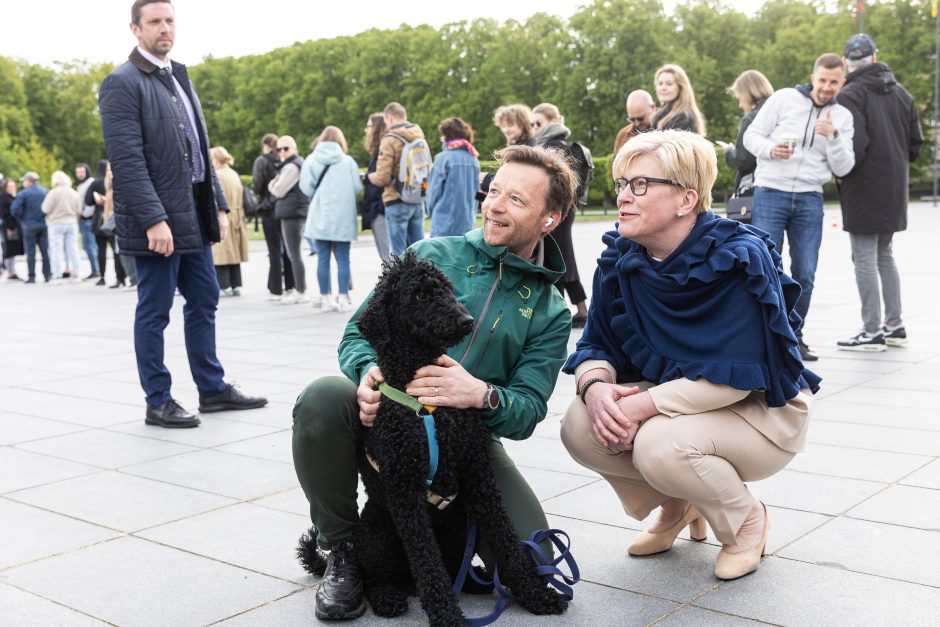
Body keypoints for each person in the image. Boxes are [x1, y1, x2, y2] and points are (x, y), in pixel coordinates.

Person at [292, 144, 578, 620]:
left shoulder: (549, 310)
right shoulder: (430, 252)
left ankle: (455, 540)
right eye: (494, 192)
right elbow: (356, 333)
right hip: (390, 415)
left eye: (516, 200)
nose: (495, 205)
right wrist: (368, 375)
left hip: (469, 440)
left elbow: (527, 410)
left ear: (549, 219)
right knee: (324, 397)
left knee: (537, 564)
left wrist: (480, 394)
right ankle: (341, 550)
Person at [561, 130, 819, 582]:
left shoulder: (737, 259)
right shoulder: (622, 257)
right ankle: (676, 504)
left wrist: (639, 406)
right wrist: (595, 386)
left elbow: (737, 378)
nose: (624, 195)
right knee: (580, 425)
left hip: (761, 412)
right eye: (621, 183)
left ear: (686, 199)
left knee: (660, 444)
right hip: (680, 399)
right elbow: (594, 343)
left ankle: (746, 522)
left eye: (640, 184)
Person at [99, 0, 267, 427]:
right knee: (154, 310)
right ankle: (158, 399)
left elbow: (200, 152)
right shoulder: (122, 82)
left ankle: (212, 389)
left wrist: (220, 205)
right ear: (135, 29)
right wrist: (155, 218)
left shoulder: (178, 76)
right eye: (154, 21)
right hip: (156, 223)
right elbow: (128, 160)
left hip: (193, 217)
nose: (164, 28)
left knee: (206, 300)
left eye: (170, 20)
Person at [744, 53, 855, 362]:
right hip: (771, 191)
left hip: (809, 197)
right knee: (766, 266)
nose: (826, 87)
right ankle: (762, 335)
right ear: (813, 76)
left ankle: (793, 336)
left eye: (834, 82)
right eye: (822, 80)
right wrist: (770, 149)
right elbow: (751, 136)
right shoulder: (783, 99)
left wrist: (832, 136)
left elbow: (845, 167)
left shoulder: (842, 117)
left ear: (841, 82)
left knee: (805, 273)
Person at [835, 35, 923, 351]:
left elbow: (854, 146)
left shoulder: (850, 94)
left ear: (847, 62)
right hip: (894, 187)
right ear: (875, 56)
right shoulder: (903, 94)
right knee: (884, 253)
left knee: (863, 257)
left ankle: (872, 330)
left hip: (863, 185)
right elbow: (916, 146)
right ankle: (895, 325)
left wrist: (839, 173)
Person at [532, 102, 588, 327]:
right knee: (564, 258)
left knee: (556, 258)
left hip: (557, 210)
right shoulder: (560, 145)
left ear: (552, 122)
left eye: (538, 123)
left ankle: (562, 310)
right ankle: (579, 309)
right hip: (565, 210)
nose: (534, 128)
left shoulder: (552, 147)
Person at [299, 125, 362, 313]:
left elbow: (306, 188)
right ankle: (343, 298)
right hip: (343, 216)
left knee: (323, 258)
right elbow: (357, 188)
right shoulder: (348, 161)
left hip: (321, 214)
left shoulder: (311, 160)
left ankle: (325, 298)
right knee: (344, 258)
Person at [367, 102, 426, 257]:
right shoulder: (419, 134)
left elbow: (383, 177)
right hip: (417, 198)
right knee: (419, 252)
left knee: (398, 256)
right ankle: (423, 281)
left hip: (396, 199)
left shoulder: (390, 139)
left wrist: (371, 177)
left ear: (389, 118)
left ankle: (402, 282)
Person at [252, 133, 295, 301]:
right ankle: (291, 286)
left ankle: (276, 289)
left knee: (274, 249)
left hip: (268, 209)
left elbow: (257, 185)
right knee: (289, 249)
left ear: (265, 145)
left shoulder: (261, 161)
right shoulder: (284, 161)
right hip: (283, 208)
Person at [269, 135, 311, 305]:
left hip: (292, 213)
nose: (282, 152)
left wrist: (274, 185)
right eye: (279, 149)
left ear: (294, 148)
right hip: (292, 211)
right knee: (293, 253)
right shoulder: (292, 164)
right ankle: (299, 289)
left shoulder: (292, 166)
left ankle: (300, 290)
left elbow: (277, 189)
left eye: (286, 148)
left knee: (294, 253)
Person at [722, 70, 774, 198]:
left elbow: (742, 160)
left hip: (755, 188)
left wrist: (729, 152)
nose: (740, 105)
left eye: (740, 98)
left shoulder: (750, 119)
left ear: (747, 94)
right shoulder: (779, 112)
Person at [426, 117, 481, 237]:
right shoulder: (474, 160)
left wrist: (430, 212)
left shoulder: (442, 158)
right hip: (467, 222)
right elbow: (477, 193)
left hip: (443, 222)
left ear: (446, 136)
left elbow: (433, 192)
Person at [210, 146, 249, 296]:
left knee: (221, 253)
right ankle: (235, 284)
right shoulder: (233, 173)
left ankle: (223, 284)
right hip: (237, 215)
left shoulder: (218, 175)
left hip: (224, 214)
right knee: (234, 253)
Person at [479, 103, 537, 199]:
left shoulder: (523, 150)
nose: (506, 130)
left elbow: (513, 181)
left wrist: (485, 178)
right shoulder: (525, 144)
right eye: (503, 126)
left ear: (523, 124)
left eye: (510, 125)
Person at [85, 160, 125, 287]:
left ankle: (102, 276)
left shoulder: (96, 183)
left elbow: (88, 201)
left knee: (101, 250)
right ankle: (120, 277)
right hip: (114, 221)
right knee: (116, 250)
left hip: (101, 220)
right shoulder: (117, 180)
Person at [41, 170, 84, 285]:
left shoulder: (53, 193)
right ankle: (77, 274)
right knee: (73, 249)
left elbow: (45, 208)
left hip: (56, 223)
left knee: (56, 250)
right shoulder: (74, 192)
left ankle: (57, 275)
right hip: (71, 222)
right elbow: (79, 210)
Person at [361, 113, 391, 263]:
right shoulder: (379, 151)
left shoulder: (382, 150)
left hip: (380, 209)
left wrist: (367, 178)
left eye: (369, 126)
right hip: (381, 208)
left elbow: (381, 179)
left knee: (388, 257)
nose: (366, 130)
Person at [10, 172, 50, 284]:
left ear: (28, 181)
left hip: (29, 226)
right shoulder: (45, 191)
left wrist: (22, 219)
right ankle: (47, 275)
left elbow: (14, 210)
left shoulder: (23, 193)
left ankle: (31, 276)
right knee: (45, 251)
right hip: (43, 224)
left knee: (31, 252)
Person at [651, 64, 706, 135]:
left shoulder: (684, 117)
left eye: (669, 84)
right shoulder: (662, 113)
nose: (663, 88)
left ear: (681, 87)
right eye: (660, 83)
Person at [74, 163, 101, 281]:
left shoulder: (89, 183)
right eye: (78, 172)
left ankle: (96, 270)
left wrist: (84, 214)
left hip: (88, 219)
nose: (80, 175)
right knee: (88, 246)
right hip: (83, 220)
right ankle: (95, 270)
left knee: (90, 246)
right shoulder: (81, 186)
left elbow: (90, 202)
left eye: (82, 172)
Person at [613, 90, 657, 154]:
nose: (637, 123)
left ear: (653, 108)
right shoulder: (623, 135)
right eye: (632, 120)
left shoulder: (669, 128)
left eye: (640, 118)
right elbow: (615, 163)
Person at [1, 179, 23, 280]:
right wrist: (11, 227)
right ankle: (10, 271)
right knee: (8, 249)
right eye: (9, 187)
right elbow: (5, 214)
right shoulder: (4, 198)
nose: (12, 188)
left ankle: (12, 270)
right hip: (8, 227)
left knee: (12, 249)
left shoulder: (14, 197)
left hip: (14, 226)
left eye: (13, 186)